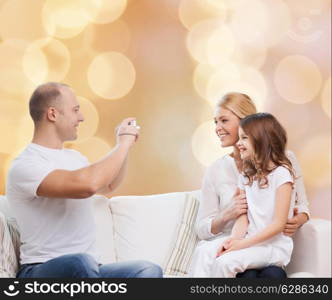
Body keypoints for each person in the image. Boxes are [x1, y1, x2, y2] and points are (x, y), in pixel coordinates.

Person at [6, 82, 163, 278]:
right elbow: (88, 185)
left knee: (148, 270)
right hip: (41, 270)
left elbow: (108, 184)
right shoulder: (25, 165)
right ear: (53, 114)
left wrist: (123, 146)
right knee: (80, 262)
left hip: (90, 271)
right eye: (75, 110)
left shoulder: (75, 159)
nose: (81, 117)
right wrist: (122, 144)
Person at [188, 93, 309, 278]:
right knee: (211, 256)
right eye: (215, 122)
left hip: (266, 245)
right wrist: (228, 217)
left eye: (224, 121)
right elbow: (205, 227)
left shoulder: (284, 165)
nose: (217, 128)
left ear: (249, 125)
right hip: (240, 242)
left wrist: (295, 220)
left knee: (272, 276)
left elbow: (299, 209)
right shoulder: (233, 173)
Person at [212, 112, 296, 277]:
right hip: (251, 245)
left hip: (273, 248)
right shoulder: (245, 176)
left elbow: (279, 224)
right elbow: (243, 218)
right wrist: (233, 241)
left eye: (244, 138)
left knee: (224, 263)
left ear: (260, 140)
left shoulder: (282, 174)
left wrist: (242, 244)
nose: (238, 143)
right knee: (213, 255)